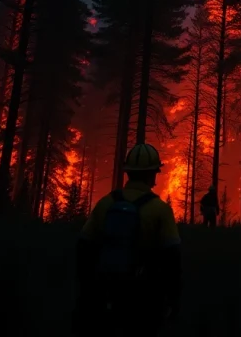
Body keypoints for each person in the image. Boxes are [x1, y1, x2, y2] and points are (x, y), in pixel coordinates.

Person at [74, 144, 181, 337]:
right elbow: (173, 259)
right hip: (144, 298)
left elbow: (84, 247)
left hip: (104, 292)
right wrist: (172, 300)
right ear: (153, 175)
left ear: (128, 173)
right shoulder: (160, 209)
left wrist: (88, 291)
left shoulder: (105, 203)